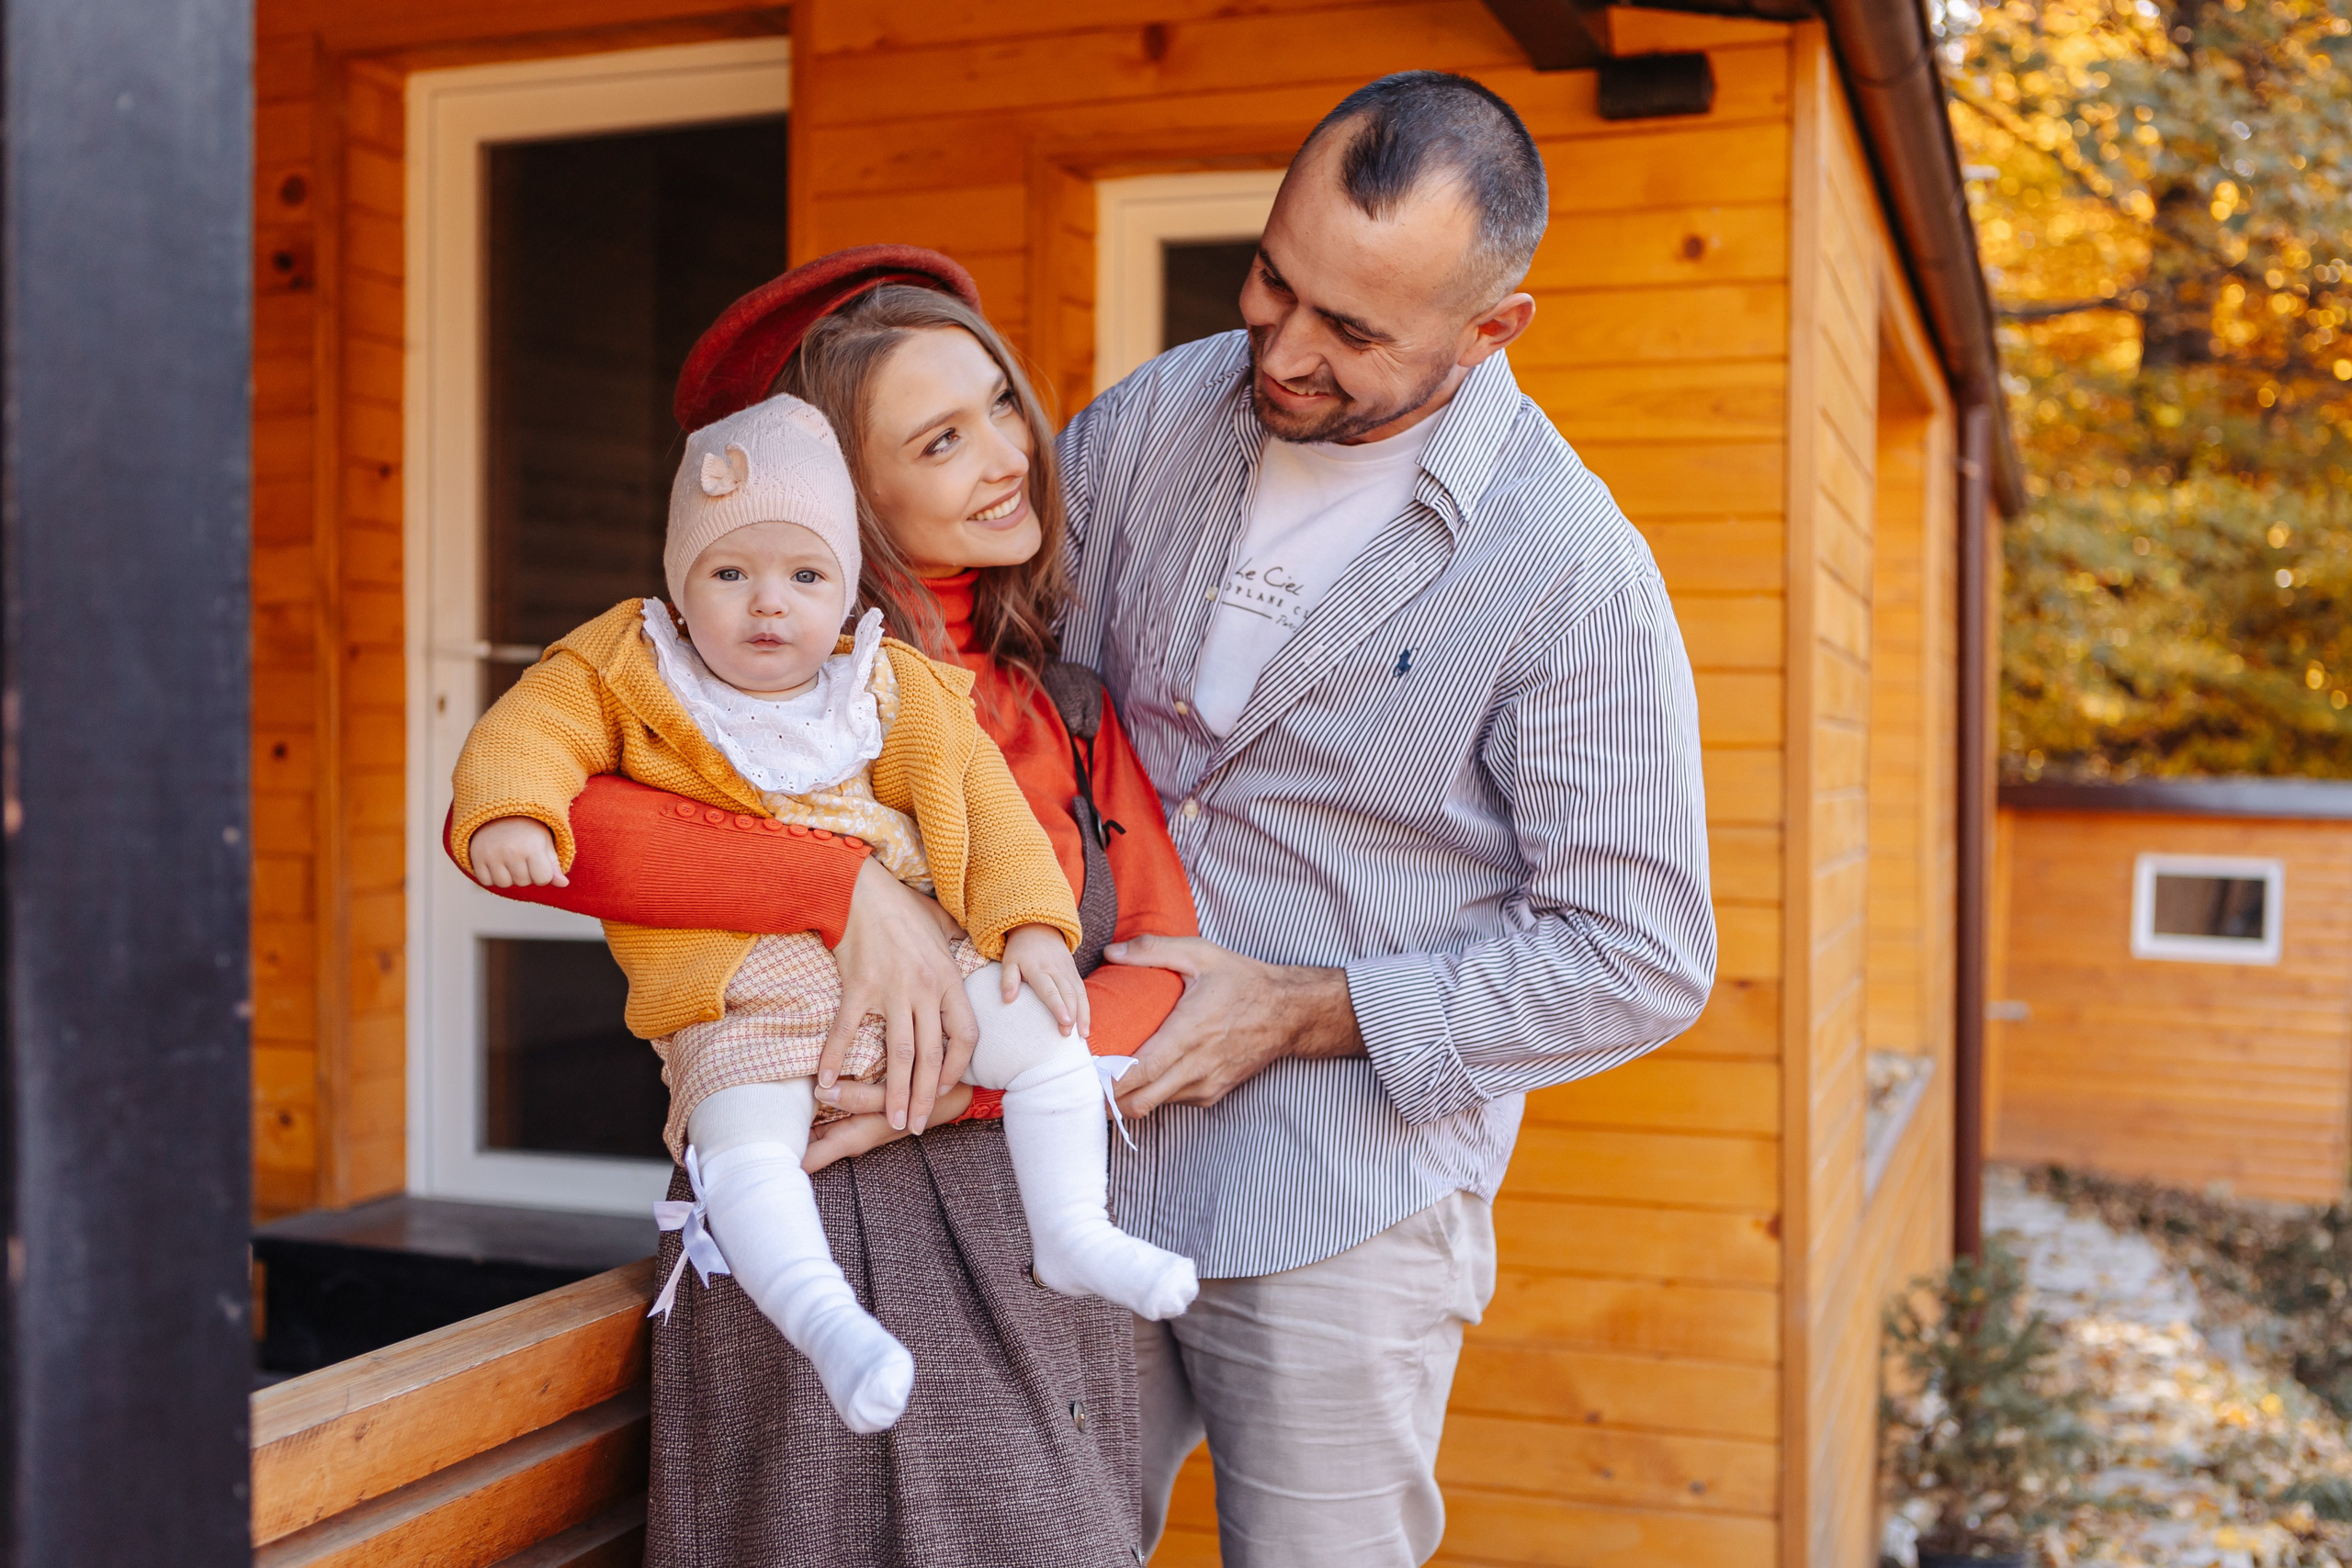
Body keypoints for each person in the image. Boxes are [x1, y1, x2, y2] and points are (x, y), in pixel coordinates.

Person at [498, 65, 1715, 1567]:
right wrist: (844, 896)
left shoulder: (1572, 571)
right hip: (1040, 1172)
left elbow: (1642, 954)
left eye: (1354, 331)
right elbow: (973, 687)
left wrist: (1309, 1008)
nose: (1285, 347)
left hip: (1331, 1188)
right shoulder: (1152, 422)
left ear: (1492, 329)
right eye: (1277, 280)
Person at [462, 247, 1203, 1568]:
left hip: (1023, 1216)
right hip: (827, 1218)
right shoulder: (749, 712)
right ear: (842, 504)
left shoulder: (1064, 705)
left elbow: (1158, 961)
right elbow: (561, 832)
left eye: (996, 408)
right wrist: (841, 881)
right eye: (941, 438)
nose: (1006, 454)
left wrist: (965, 1077)